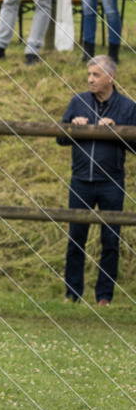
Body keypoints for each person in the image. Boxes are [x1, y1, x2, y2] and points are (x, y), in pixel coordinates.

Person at [57, 55, 136, 306]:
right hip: (80, 181)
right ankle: (72, 294)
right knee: (75, 238)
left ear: (111, 77)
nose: (90, 79)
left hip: (111, 183)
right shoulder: (77, 102)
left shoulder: (128, 107)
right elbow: (60, 137)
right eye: (89, 74)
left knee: (110, 240)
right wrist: (73, 125)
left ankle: (104, 297)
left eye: (96, 75)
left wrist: (119, 130)